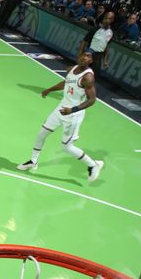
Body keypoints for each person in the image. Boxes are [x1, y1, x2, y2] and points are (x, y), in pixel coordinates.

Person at [17, 50, 105, 182]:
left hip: (73, 115)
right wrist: (50, 89)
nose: (85, 58)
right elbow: (66, 83)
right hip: (61, 108)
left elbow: (92, 100)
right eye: (84, 55)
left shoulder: (87, 77)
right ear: (79, 56)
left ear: (91, 61)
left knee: (67, 147)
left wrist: (72, 110)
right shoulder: (71, 69)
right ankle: (33, 162)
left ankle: (93, 164)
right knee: (41, 134)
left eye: (88, 57)